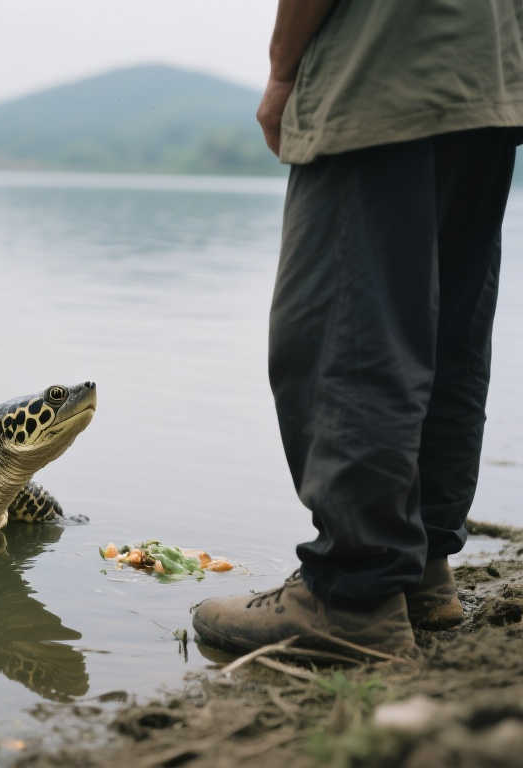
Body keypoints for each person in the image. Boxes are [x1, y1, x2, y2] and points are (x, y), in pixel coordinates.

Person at [192, 0, 523, 656]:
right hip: (491, 71)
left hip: (382, 64)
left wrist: (283, 73)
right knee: (440, 330)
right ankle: (420, 576)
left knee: (344, 332)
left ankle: (353, 596)